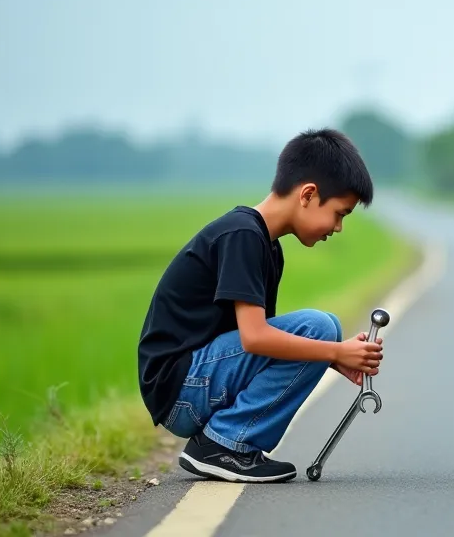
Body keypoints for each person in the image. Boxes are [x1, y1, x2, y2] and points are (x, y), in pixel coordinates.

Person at [137, 128, 384, 483]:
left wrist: (335, 358)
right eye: (340, 213)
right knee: (322, 327)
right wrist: (333, 349)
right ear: (309, 194)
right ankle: (225, 443)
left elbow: (261, 349)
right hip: (182, 388)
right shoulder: (242, 235)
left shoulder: (267, 247)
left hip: (195, 382)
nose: (339, 227)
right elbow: (255, 338)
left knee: (324, 328)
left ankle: (225, 442)